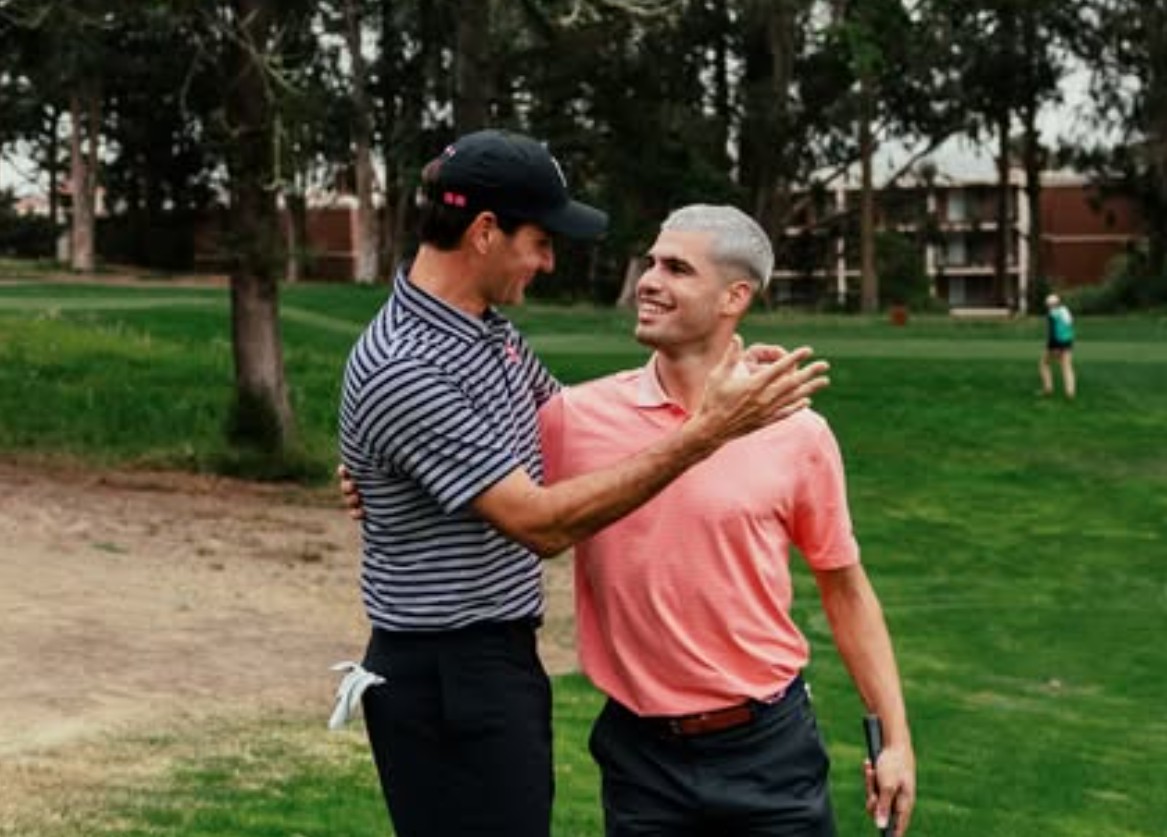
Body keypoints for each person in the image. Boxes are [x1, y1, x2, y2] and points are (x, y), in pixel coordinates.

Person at [337, 131, 829, 837]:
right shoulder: (405, 365)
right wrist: (706, 431)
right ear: (483, 232)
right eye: (539, 240)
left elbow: (588, 430)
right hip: (441, 676)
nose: (547, 260)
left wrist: (712, 378)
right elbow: (540, 524)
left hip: (492, 660)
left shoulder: (486, 335)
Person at [538, 204, 916, 836]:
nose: (649, 282)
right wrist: (370, 480)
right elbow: (482, 489)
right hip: (641, 759)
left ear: (734, 296)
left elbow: (845, 590)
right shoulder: (574, 418)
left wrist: (896, 739)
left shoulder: (799, 432)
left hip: (771, 750)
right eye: (652, 263)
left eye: (678, 269)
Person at [1039, 293, 1076, 399]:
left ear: (1049, 304)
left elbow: (1052, 333)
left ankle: (1048, 389)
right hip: (1068, 342)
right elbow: (1069, 327)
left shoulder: (1052, 314)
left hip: (1056, 344)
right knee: (1067, 367)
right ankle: (1070, 393)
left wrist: (1054, 348)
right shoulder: (1065, 311)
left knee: (1044, 364)